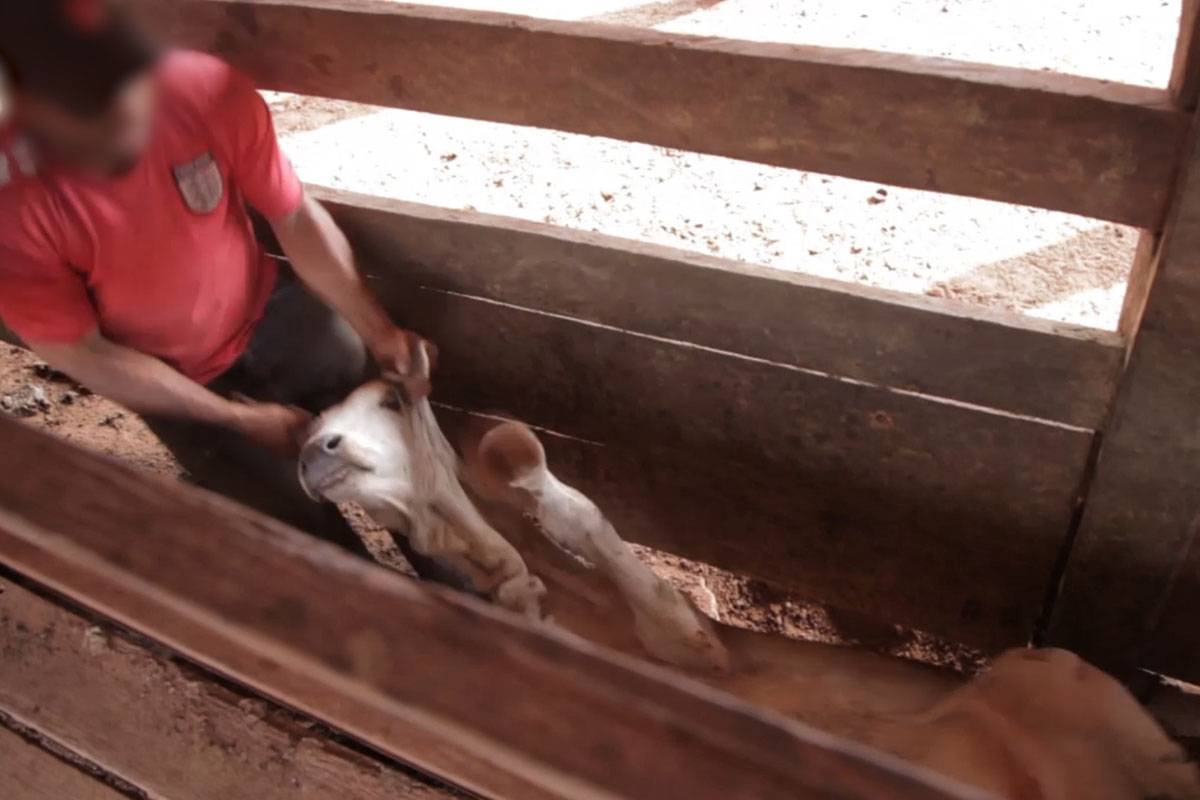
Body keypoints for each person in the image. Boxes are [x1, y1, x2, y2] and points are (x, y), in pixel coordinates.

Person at [0, 0, 428, 557]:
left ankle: (482, 610)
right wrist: (232, 419)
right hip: (175, 377)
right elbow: (82, 352)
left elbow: (293, 215)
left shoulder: (200, 89)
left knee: (413, 479)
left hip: (272, 308)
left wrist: (378, 330)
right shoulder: (12, 208)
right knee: (303, 541)